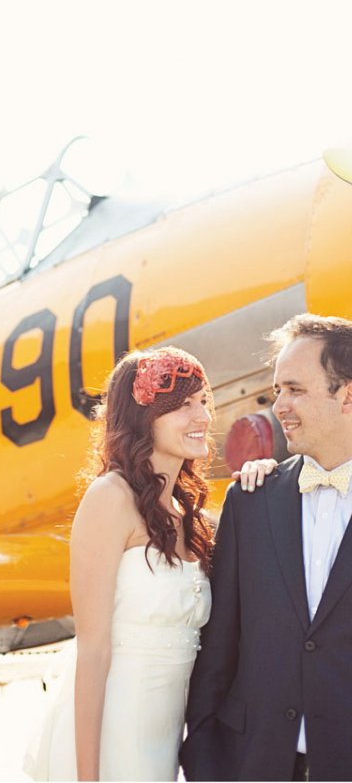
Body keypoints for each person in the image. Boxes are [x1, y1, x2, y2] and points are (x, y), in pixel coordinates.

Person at [24, 346, 270, 782]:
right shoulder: (109, 499)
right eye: (180, 405)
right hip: (112, 736)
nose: (202, 417)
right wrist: (88, 776)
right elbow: (93, 652)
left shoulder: (190, 516)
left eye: (202, 402)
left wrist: (266, 476)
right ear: (142, 417)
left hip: (168, 744)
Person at [181, 313, 352, 782]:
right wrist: (205, 757)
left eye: (294, 389)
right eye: (277, 391)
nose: (280, 406)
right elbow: (220, 646)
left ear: (347, 395)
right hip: (256, 764)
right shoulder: (249, 499)